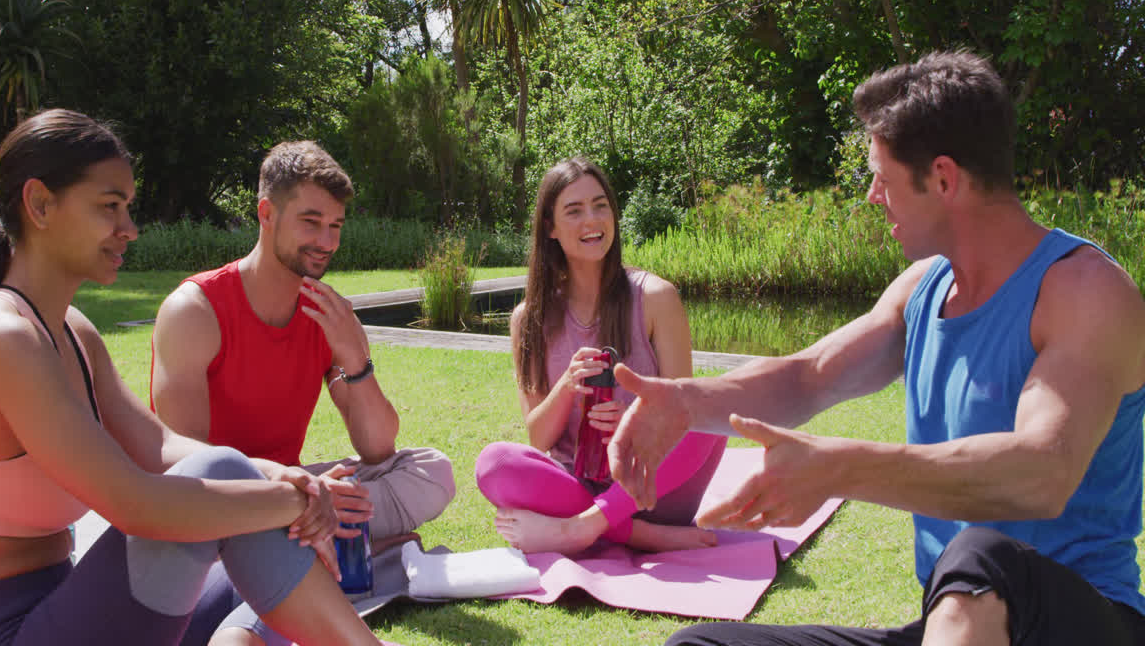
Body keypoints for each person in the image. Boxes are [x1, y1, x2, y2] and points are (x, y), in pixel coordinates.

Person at [605, 52, 1145, 645]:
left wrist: (838, 467)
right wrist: (684, 402)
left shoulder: (1084, 292)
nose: (870, 196)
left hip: (1082, 624)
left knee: (981, 556)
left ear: (943, 179)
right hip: (954, 624)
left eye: (882, 178)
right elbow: (809, 377)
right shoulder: (923, 288)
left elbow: (1041, 474)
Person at [0, 110, 390, 646]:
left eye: (127, 208)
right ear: (40, 204)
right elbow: (138, 506)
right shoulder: (3, 339)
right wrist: (296, 500)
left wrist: (284, 478)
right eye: (110, 207)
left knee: (253, 554)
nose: (128, 229)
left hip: (66, 608)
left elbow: (157, 444)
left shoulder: (72, 331)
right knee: (229, 484)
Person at [150, 141, 455, 560]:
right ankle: (344, 547)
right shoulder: (195, 311)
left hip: (294, 495)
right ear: (267, 214)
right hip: (223, 503)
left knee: (431, 470)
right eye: (311, 222)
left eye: (336, 226)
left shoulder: (327, 315)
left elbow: (378, 450)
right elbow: (189, 467)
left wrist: (354, 358)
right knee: (200, 515)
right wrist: (293, 490)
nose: (326, 242)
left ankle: (313, 544)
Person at [474, 156, 726, 555]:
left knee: (710, 409)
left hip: (651, 486)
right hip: (576, 484)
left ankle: (584, 528)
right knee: (494, 464)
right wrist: (567, 387)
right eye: (574, 211)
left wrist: (630, 423)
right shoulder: (528, 319)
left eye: (600, 205)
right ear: (550, 228)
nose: (592, 220)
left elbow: (682, 412)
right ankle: (637, 536)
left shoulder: (656, 298)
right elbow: (539, 437)